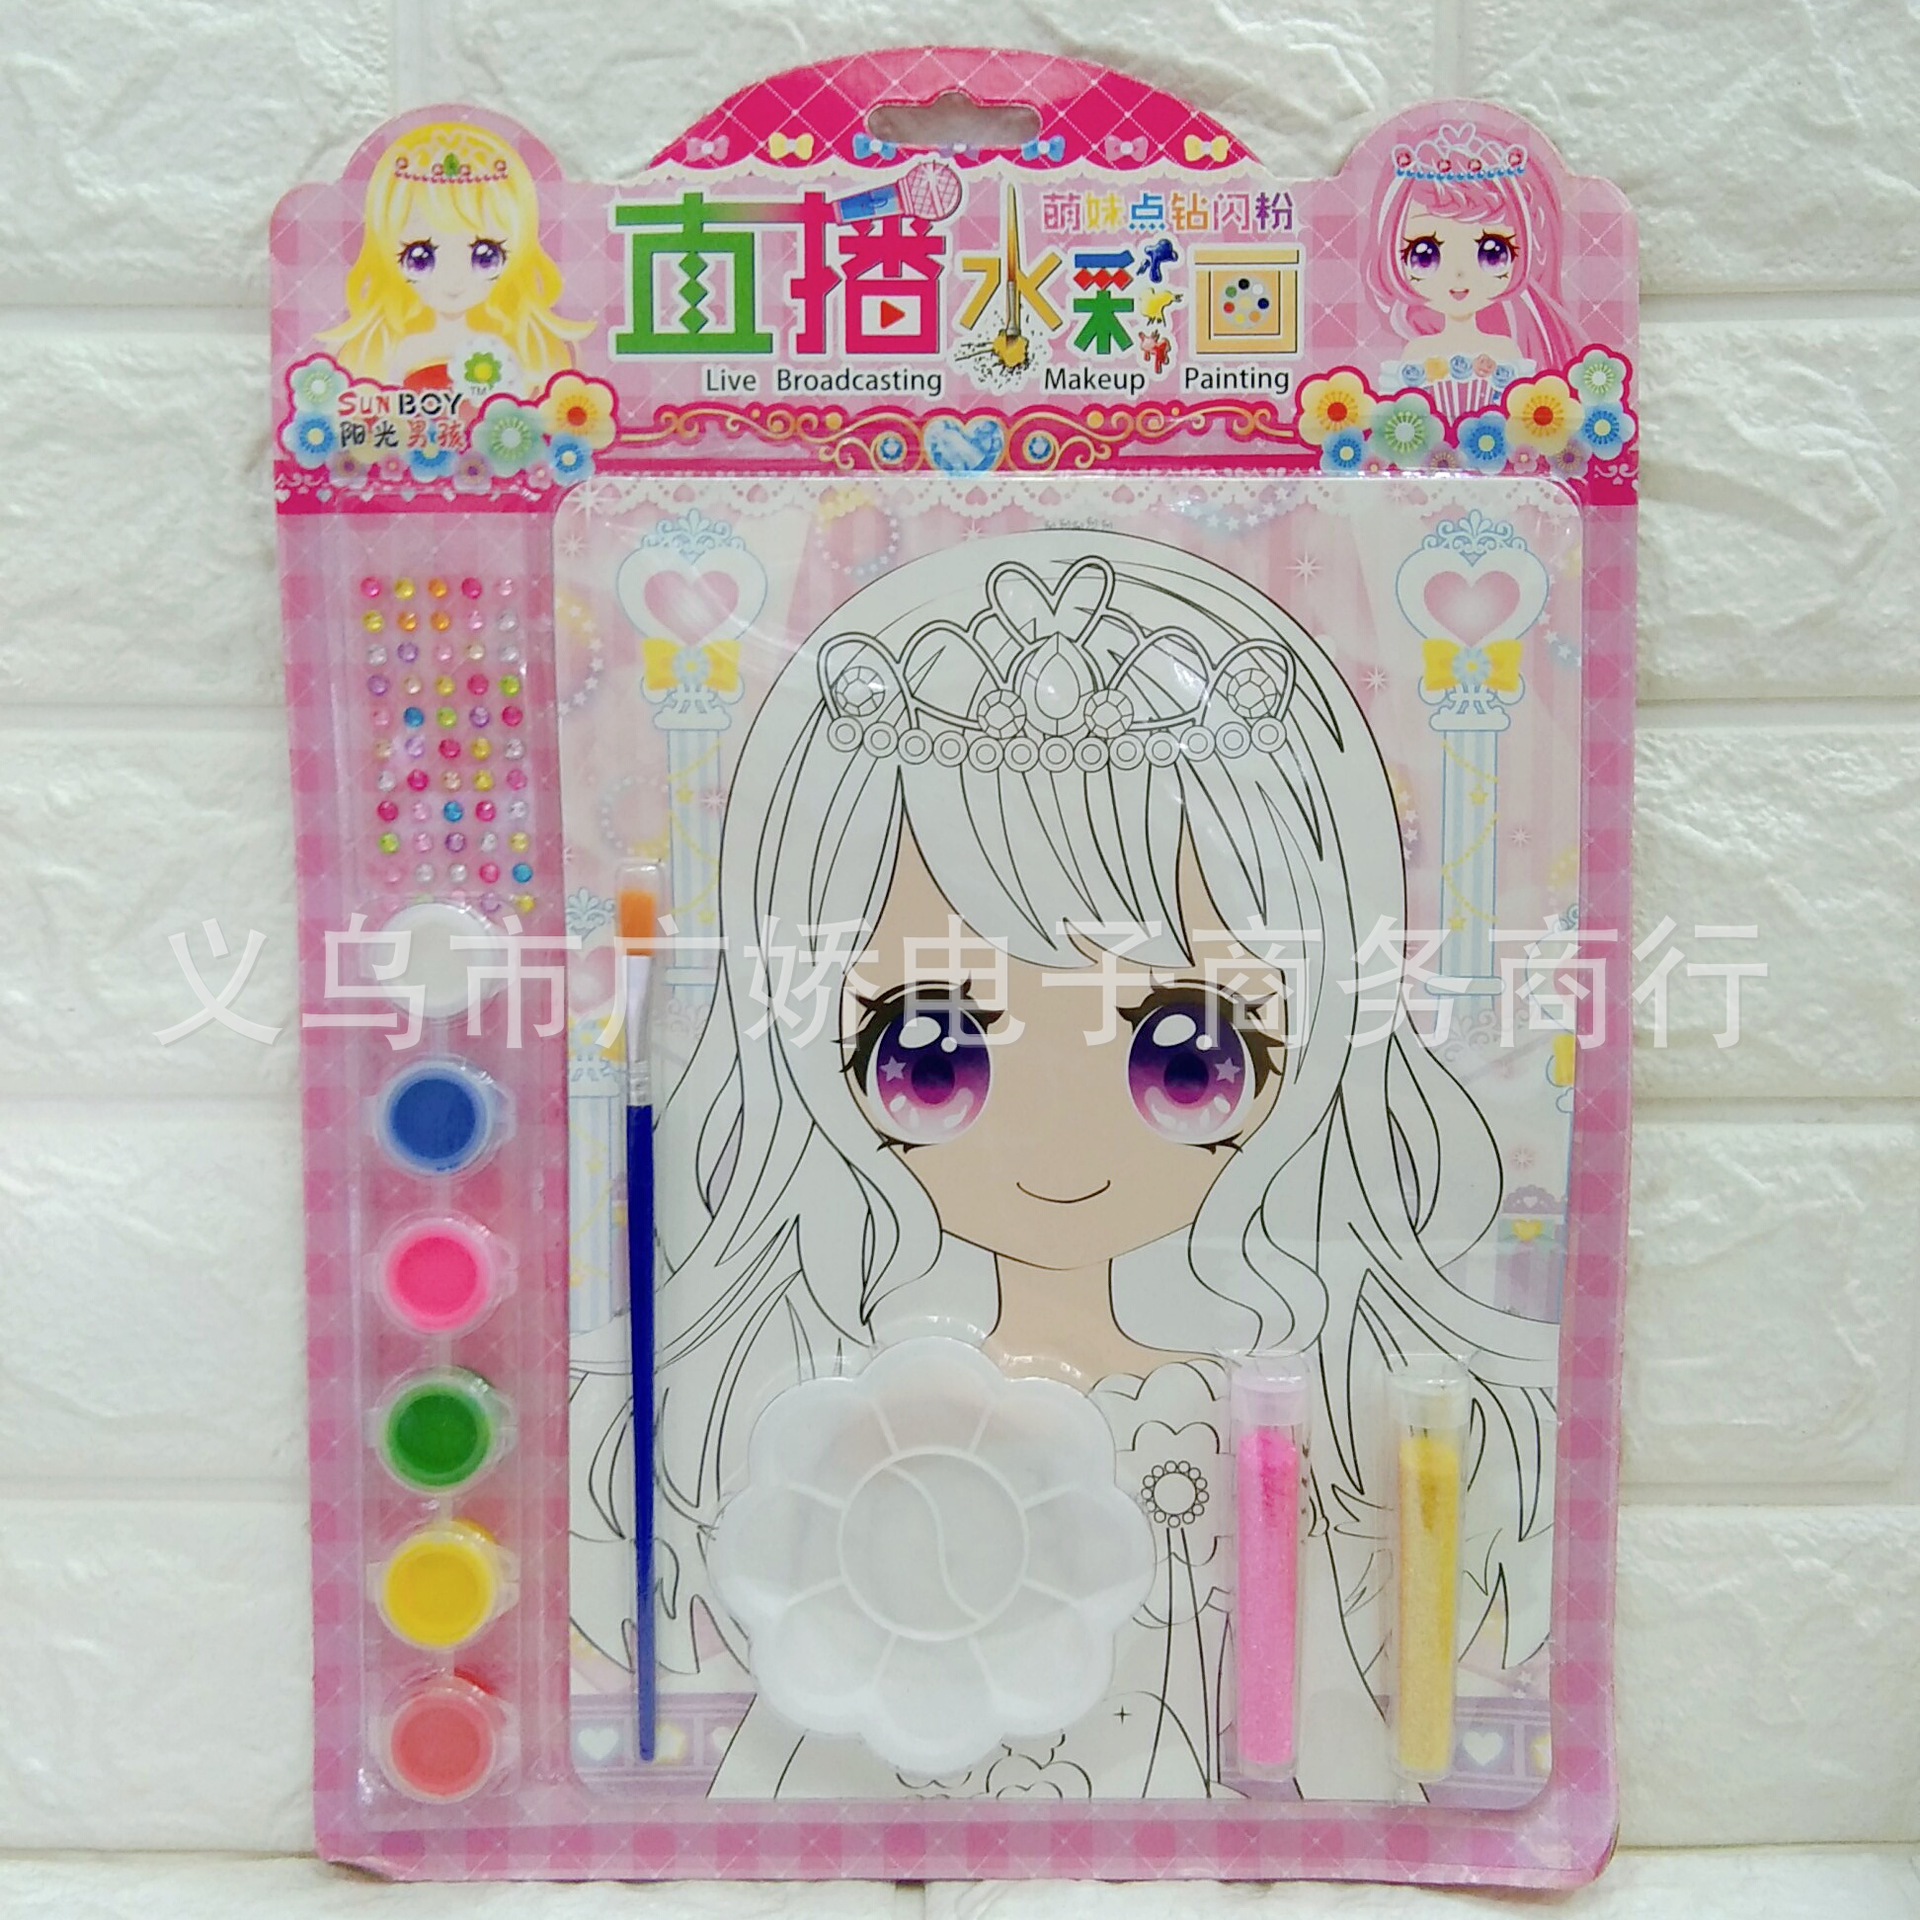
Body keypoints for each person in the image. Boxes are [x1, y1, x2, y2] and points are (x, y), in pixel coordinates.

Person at [605, 531, 1556, 1800]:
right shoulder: (841, 1426)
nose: (1059, 1144)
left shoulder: (1262, 1429)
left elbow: (1346, 1751)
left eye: (1186, 1058)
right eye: (931, 1056)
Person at [320, 120, 590, 398]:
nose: (453, 280)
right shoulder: (392, 353)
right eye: (420, 259)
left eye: (486, 257)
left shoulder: (516, 353)